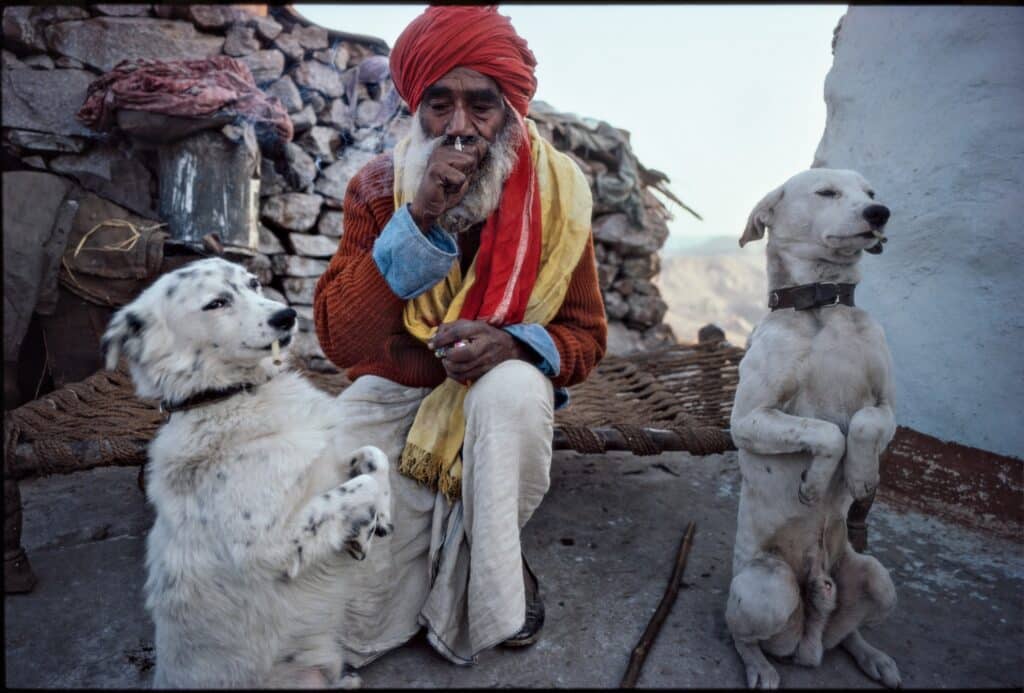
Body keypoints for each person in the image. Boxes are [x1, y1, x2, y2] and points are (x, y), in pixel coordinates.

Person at [313, 5, 607, 667]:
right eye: (439, 104)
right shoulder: (380, 189)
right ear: (416, 110)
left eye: (481, 106)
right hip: (403, 388)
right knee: (340, 472)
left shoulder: (559, 193)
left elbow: (584, 336)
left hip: (496, 400)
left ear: (510, 113)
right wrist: (419, 218)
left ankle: (497, 581)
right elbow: (341, 340)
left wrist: (516, 343)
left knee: (510, 389)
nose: (459, 127)